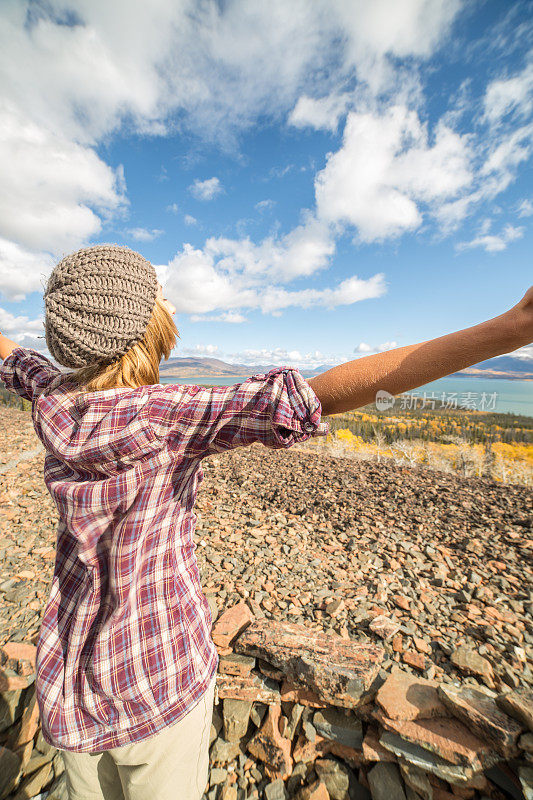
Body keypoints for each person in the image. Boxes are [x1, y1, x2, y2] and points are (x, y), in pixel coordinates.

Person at [0, 244, 531, 800]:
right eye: (160, 296)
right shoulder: (166, 416)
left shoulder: (53, 402)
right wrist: (513, 327)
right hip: (157, 683)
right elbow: (316, 396)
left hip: (68, 682)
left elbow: (15, 359)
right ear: (139, 326)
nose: (170, 302)